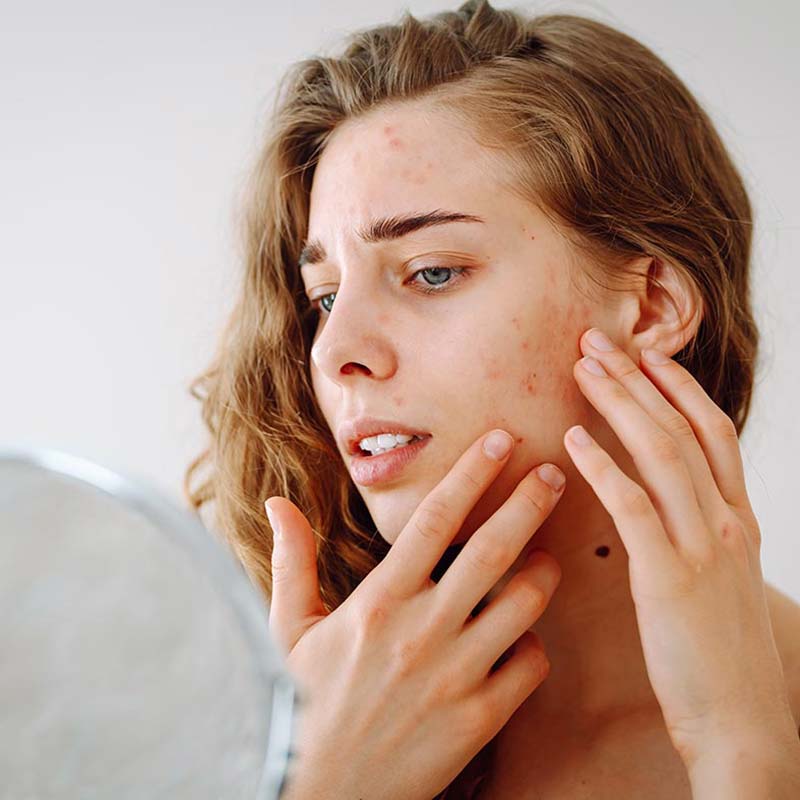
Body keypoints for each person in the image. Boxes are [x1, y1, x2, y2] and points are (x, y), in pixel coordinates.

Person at [184, 1, 800, 796]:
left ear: (649, 308)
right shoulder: (218, 734)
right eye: (325, 297)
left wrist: (742, 748)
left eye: (432, 272)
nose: (336, 353)